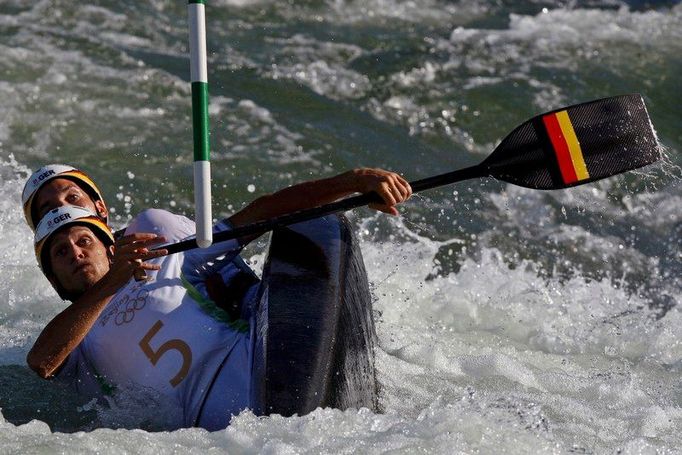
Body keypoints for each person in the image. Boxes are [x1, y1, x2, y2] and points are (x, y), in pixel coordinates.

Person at [23, 165, 412, 430]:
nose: (75, 252)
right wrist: (112, 284)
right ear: (52, 276)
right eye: (60, 252)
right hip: (223, 438)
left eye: (83, 240)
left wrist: (353, 183)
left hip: (268, 375)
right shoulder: (76, 340)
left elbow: (257, 216)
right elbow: (41, 362)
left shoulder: (156, 242)